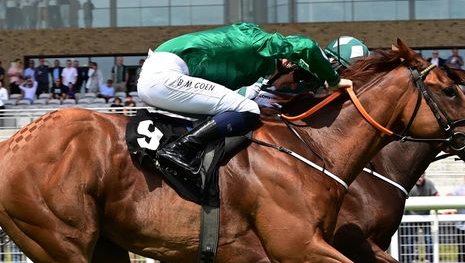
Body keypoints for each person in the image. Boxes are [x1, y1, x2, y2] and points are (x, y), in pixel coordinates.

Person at [138, 23, 355, 176]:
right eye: (297, 74)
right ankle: (179, 149)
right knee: (249, 110)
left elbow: (240, 96)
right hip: (164, 76)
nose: (292, 74)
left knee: (234, 110)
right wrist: (333, 79)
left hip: (162, 77)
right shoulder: (260, 41)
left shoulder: (253, 70)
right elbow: (306, 46)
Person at [400, 174, 438, 263]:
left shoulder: (429, 183)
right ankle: (410, 260)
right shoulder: (410, 183)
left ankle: (430, 260)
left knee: (428, 238)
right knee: (410, 239)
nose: (420, 178)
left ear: (424, 176)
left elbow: (436, 195)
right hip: (411, 216)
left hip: (425, 216)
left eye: (421, 176)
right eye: (418, 176)